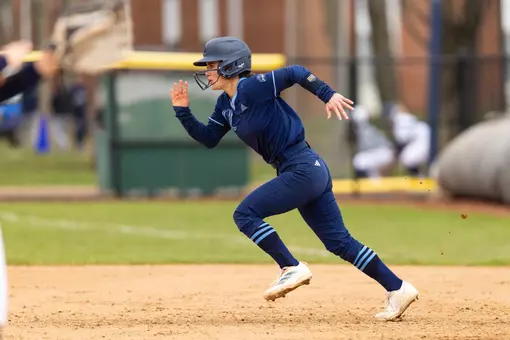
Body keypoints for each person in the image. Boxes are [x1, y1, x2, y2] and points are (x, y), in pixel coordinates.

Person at [170, 37, 419, 321]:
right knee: (339, 242)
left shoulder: (252, 87)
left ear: (230, 66)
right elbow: (209, 138)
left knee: (245, 214)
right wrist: (183, 112)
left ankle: (290, 266)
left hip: (302, 167)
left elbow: (297, 72)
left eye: (211, 65)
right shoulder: (225, 106)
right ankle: (397, 288)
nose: (207, 71)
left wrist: (328, 94)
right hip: (304, 169)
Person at [386, 103, 431, 177]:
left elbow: (401, 140)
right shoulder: (409, 118)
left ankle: (419, 178)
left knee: (407, 159)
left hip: (421, 142)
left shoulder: (400, 119)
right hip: (428, 141)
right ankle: (422, 177)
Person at [350, 105, 395, 179]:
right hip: (384, 152)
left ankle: (370, 183)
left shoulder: (364, 131)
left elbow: (367, 148)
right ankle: (375, 183)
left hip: (383, 152)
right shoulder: (369, 128)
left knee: (359, 160)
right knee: (366, 163)